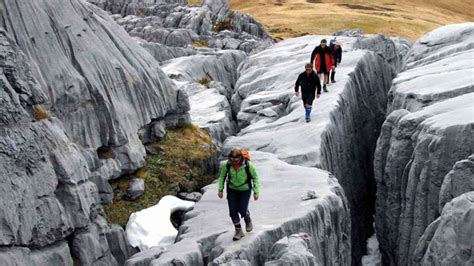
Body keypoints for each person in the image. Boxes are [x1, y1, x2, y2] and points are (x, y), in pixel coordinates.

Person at [218, 148, 260, 241]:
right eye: (232, 160)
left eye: (236, 160)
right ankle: (238, 230)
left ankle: (247, 218)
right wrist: (220, 190)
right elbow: (222, 176)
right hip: (232, 189)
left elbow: (255, 177)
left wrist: (256, 191)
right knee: (232, 211)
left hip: (245, 189)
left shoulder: (248, 165)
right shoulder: (227, 165)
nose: (234, 162)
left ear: (240, 158)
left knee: (242, 209)